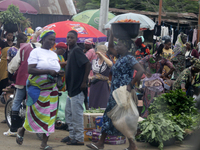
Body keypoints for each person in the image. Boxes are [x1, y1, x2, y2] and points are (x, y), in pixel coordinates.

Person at [86, 31, 144, 150]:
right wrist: (112, 33)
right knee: (120, 116)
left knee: (112, 116)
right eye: (117, 45)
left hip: (122, 92)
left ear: (127, 47)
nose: (117, 47)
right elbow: (111, 47)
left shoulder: (129, 58)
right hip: (115, 91)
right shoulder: (120, 56)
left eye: (120, 45)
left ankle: (101, 143)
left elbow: (141, 71)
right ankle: (131, 145)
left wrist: (131, 84)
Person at [16, 30, 63, 150]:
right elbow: (30, 70)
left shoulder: (53, 54)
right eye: (49, 39)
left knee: (51, 115)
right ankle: (22, 130)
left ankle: (44, 143)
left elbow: (55, 69)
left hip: (51, 89)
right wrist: (48, 71)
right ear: (42, 40)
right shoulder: (35, 52)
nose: (52, 42)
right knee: (33, 114)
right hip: (37, 89)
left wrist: (59, 74)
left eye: (53, 40)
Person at [4, 40, 41, 136]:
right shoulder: (45, 49)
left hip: (24, 79)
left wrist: (10, 71)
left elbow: (14, 65)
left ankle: (13, 129)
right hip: (39, 81)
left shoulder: (24, 48)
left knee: (17, 101)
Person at [61, 30, 91, 145]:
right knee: (69, 114)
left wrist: (84, 82)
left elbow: (87, 64)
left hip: (77, 88)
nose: (69, 39)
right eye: (68, 37)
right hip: (71, 88)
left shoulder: (77, 50)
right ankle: (72, 135)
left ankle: (79, 138)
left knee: (76, 114)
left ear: (76, 39)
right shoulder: (70, 51)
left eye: (72, 38)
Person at [139, 44, 175, 118]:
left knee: (147, 101)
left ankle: (146, 116)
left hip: (149, 82)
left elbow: (140, 63)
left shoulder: (149, 57)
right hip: (158, 82)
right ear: (162, 50)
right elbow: (172, 67)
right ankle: (157, 117)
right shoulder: (163, 60)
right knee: (158, 101)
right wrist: (165, 75)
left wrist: (145, 72)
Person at [83, 38, 97, 110]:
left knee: (88, 90)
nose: (85, 46)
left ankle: (89, 107)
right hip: (93, 72)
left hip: (89, 72)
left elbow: (84, 59)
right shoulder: (94, 51)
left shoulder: (90, 51)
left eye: (86, 45)